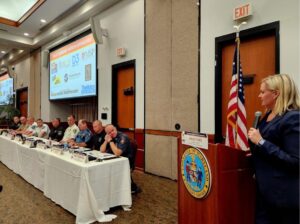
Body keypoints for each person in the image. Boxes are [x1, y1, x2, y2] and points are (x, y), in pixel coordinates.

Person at [248, 74, 299, 224]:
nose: (259, 95)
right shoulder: (269, 115)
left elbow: (295, 161)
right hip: (265, 193)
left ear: (276, 93)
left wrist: (261, 142)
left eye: (263, 92)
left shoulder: (293, 118)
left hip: (283, 198)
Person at [100, 124, 140, 194]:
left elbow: (117, 153)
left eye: (112, 130)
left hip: (126, 162)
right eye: (109, 132)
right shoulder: (110, 137)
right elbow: (102, 150)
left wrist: (110, 141)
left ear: (115, 128)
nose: (112, 133)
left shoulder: (123, 137)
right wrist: (106, 140)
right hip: (116, 160)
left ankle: (129, 188)